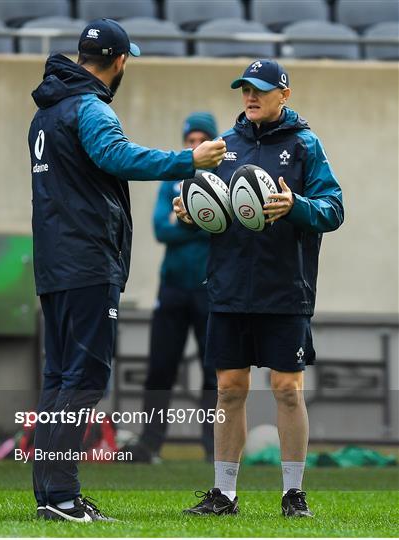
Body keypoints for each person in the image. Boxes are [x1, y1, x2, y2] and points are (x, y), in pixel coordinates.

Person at [28, 18, 226, 523]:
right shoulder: (89, 108)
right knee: (86, 376)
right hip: (89, 262)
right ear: (119, 61)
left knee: (59, 377)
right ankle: (65, 496)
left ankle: (52, 494)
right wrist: (190, 160)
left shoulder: (47, 114)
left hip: (54, 265)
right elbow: (116, 156)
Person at [174, 59, 344, 517]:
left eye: (261, 90)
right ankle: (224, 494)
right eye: (245, 89)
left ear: (284, 95)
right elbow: (212, 211)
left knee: (288, 388)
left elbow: (333, 209)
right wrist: (192, 212)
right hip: (229, 287)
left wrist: (296, 205)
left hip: (285, 288)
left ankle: (293, 494)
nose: (250, 97)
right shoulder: (223, 146)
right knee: (229, 389)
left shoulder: (306, 145)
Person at [126, 113, 219, 464]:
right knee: (160, 368)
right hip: (172, 288)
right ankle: (151, 443)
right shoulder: (172, 180)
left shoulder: (220, 179)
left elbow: (222, 226)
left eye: (201, 140)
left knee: (214, 371)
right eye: (189, 140)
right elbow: (160, 230)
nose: (194, 146)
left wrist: (185, 218)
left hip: (208, 290)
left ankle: (213, 446)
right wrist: (202, 218)